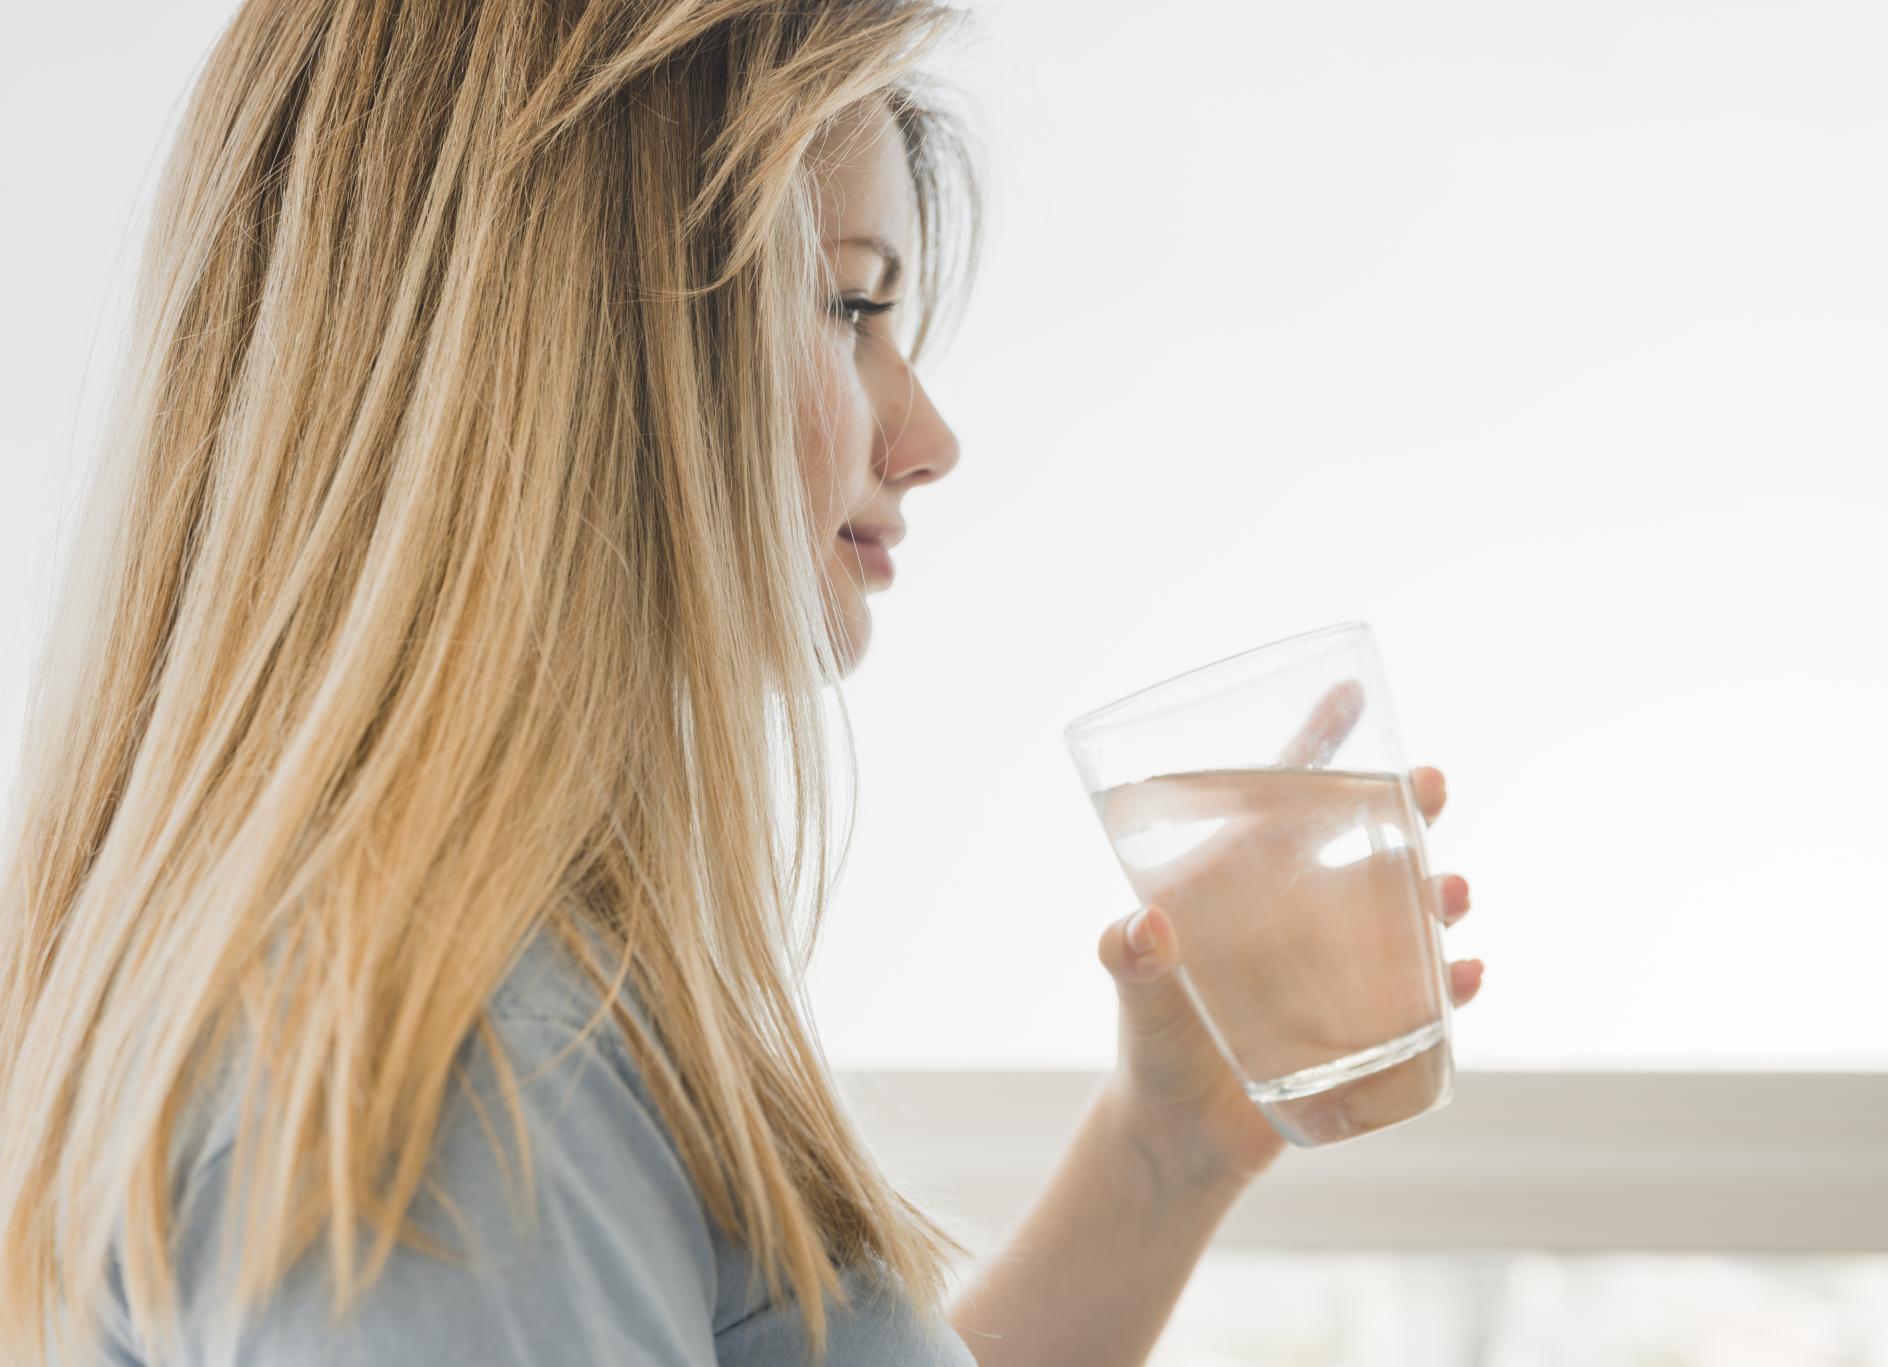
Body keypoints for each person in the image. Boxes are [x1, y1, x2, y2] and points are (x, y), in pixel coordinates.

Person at [0, 2, 1485, 1364]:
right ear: (583, 336)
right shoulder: (476, 1077)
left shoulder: (472, 1016)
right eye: (852, 309)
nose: (928, 440)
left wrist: (1166, 1155)